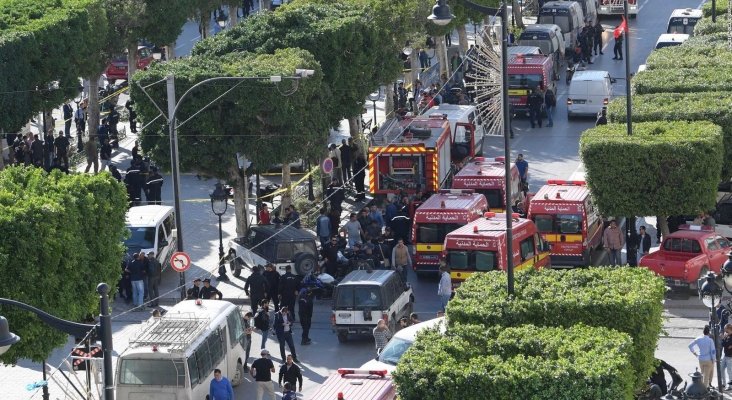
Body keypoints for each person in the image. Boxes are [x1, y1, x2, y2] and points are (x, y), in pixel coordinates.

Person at [721, 324, 732, 390]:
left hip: (730, 357)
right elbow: (724, 345)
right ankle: (724, 383)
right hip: (725, 355)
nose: (724, 330)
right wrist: (724, 339)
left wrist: (723, 339)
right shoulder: (726, 335)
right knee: (721, 369)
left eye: (725, 328)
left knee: (729, 371)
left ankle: (730, 386)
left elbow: (727, 345)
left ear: (729, 329)